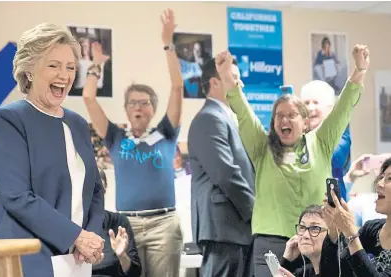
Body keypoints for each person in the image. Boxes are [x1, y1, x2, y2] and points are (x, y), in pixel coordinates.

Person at [225, 44, 369, 277]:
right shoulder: (262, 148)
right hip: (270, 244)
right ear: (273, 123)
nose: (284, 120)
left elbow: (342, 109)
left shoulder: (320, 142)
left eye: (291, 115)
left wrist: (359, 70)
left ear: (304, 122)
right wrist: (228, 81)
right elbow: (243, 113)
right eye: (278, 116)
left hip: (314, 241)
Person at [0, 23, 105, 277]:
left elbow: (95, 190)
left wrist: (90, 238)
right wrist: (77, 236)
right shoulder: (9, 119)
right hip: (27, 259)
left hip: (76, 260)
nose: (65, 75)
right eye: (54, 65)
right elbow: (17, 196)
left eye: (70, 67)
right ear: (29, 71)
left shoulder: (79, 124)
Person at [83, 9, 184, 277]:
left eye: (144, 102)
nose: (138, 107)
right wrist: (97, 64)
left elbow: (177, 87)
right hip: (127, 224)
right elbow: (89, 99)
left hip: (164, 224)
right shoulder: (116, 137)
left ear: (153, 109)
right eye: (132, 103)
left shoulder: (166, 133)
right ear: (126, 110)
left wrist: (168, 43)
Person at [187, 53, 255, 277]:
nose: (240, 84)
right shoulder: (209, 118)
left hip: (236, 227)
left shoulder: (229, 117)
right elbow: (226, 174)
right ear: (215, 82)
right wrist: (256, 213)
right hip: (223, 228)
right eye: (234, 78)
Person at [323, 157, 391, 277]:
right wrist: (334, 231)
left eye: (389, 178)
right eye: (381, 177)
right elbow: (335, 272)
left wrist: (350, 233)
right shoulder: (371, 228)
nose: (379, 184)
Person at [300, 80, 352, 201]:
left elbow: (328, 158)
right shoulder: (298, 136)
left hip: (332, 207)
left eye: (315, 102)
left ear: (330, 108)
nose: (310, 108)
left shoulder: (341, 135)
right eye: (306, 103)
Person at [93, 170, 141, 277]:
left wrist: (122, 255)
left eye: (99, 187)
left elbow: (135, 273)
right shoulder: (69, 224)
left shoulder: (118, 222)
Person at [280, 205, 338, 277]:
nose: (305, 235)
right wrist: (287, 261)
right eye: (302, 227)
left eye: (314, 228)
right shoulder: (305, 272)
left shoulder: (343, 269)